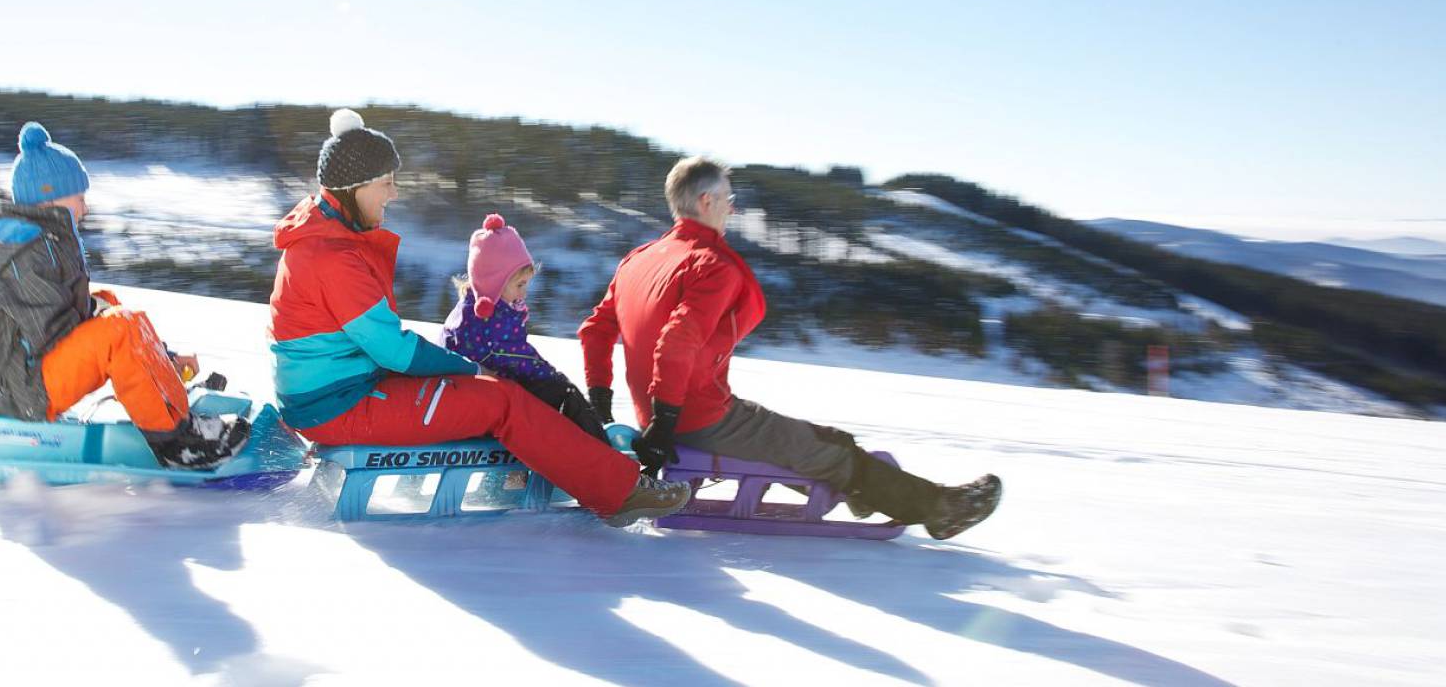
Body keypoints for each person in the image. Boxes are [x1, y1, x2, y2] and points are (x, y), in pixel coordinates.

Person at [267, 109, 691, 527]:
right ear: (353, 187)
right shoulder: (332, 256)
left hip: (338, 390)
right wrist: (471, 367)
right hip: (340, 405)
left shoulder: (324, 237)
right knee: (500, 399)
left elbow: (379, 346)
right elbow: (394, 351)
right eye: (385, 183)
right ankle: (620, 493)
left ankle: (582, 469)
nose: (393, 194)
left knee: (481, 387)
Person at [579, 156, 1002, 540]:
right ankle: (940, 510)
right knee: (831, 450)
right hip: (700, 415)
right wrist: (667, 422)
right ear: (706, 201)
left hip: (664, 411)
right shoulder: (710, 265)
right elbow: (675, 344)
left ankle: (866, 491)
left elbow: (595, 330)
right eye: (729, 198)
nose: (734, 208)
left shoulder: (640, 259)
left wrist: (603, 408)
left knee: (807, 442)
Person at [0, 122, 247, 468]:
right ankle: (176, 443)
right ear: (50, 198)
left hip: (29, 374)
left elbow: (65, 313)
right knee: (117, 327)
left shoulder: (40, 240)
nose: (85, 208)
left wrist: (155, 352)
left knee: (115, 312)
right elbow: (48, 331)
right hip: (26, 389)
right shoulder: (28, 251)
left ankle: (165, 386)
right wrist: (101, 320)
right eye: (79, 197)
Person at [442, 214, 610, 442]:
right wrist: (556, 377)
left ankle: (588, 447)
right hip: (483, 408)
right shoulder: (489, 322)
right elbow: (524, 361)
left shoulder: (472, 309)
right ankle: (603, 455)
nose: (524, 293)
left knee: (549, 396)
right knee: (564, 392)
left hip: (476, 400)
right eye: (520, 285)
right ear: (494, 282)